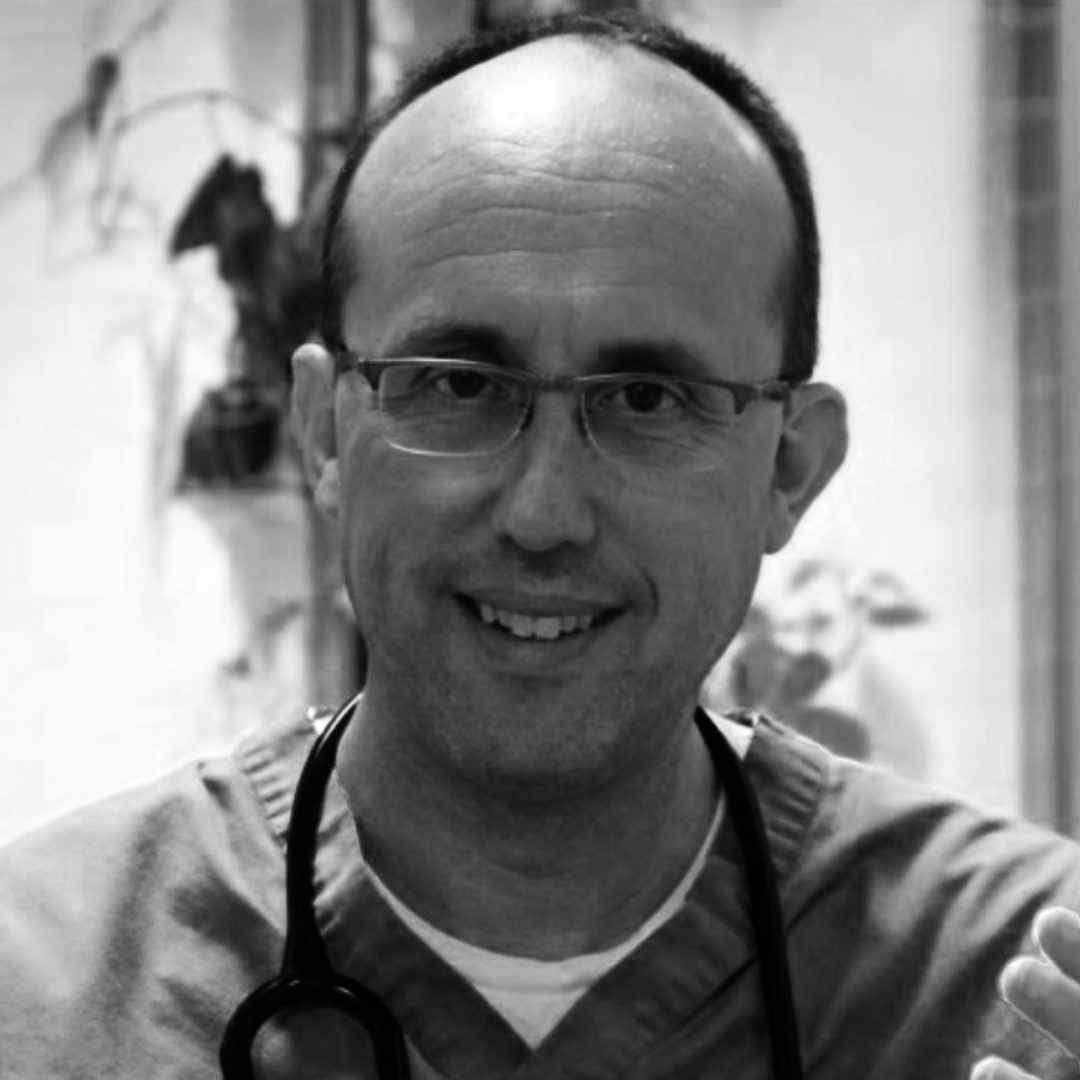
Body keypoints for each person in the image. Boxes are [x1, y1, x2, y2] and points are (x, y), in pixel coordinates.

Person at [2, 10, 1079, 1078]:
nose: (544, 513)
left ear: (790, 468)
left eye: (648, 397)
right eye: (457, 385)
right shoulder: (40, 989)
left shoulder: (1025, 983)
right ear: (324, 431)